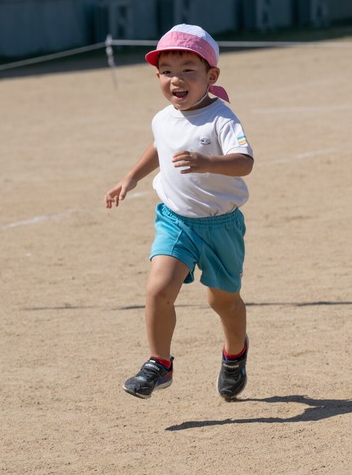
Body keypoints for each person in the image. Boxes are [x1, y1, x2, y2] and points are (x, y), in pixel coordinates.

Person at [105, 24, 255, 401]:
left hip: (221, 225)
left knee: (223, 301)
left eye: (189, 70)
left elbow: (244, 163)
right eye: (167, 71)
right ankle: (159, 363)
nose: (176, 79)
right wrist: (131, 177)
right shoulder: (162, 117)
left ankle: (235, 355)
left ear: (211, 75)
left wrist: (208, 161)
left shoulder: (222, 118)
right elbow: (160, 145)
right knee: (158, 288)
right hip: (175, 220)